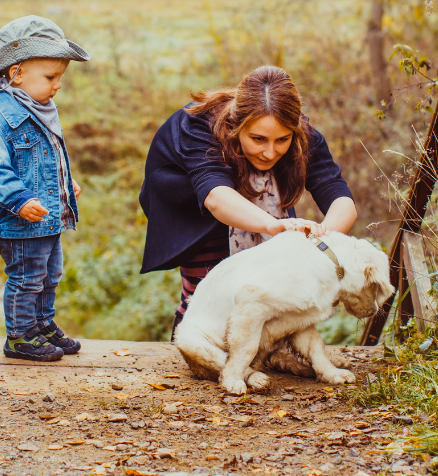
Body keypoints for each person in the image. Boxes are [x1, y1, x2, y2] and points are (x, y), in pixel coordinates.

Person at [138, 65, 357, 333]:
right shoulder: (199, 125)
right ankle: (190, 347)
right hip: (198, 214)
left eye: (281, 140)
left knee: (270, 295)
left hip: (266, 210)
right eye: (258, 139)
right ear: (236, 125)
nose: (269, 152)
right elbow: (216, 197)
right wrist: (271, 225)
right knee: (207, 295)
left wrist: (321, 241)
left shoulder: (303, 136)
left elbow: (339, 196)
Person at [0, 15, 90, 361]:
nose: (57, 85)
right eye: (51, 77)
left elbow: (45, 159)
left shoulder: (40, 110)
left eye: (60, 78)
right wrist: (20, 199)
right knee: (26, 276)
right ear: (17, 73)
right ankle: (20, 335)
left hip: (45, 216)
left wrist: (64, 182)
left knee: (50, 273)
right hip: (17, 220)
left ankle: (42, 324)